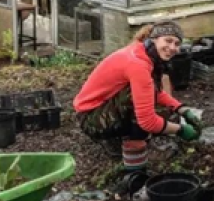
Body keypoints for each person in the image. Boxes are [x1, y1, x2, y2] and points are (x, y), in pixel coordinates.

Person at [73, 21, 202, 157]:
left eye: (177, 44)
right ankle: (132, 152)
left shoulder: (142, 52)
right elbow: (147, 121)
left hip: (101, 108)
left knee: (148, 99)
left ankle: (124, 136)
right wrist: (180, 130)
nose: (172, 47)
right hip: (91, 119)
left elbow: (155, 92)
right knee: (140, 105)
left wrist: (182, 109)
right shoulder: (138, 64)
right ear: (154, 39)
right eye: (168, 41)